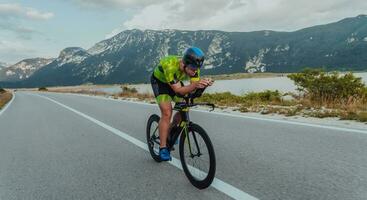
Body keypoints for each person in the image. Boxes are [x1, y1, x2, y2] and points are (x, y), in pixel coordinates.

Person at [150, 47, 213, 161]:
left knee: (184, 107)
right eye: (193, 68)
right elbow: (178, 91)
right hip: (160, 83)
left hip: (176, 83)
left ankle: (171, 130)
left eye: (198, 68)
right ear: (184, 64)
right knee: (167, 113)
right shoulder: (170, 65)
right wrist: (195, 85)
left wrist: (202, 86)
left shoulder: (194, 69)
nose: (195, 71)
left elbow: (192, 92)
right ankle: (163, 148)